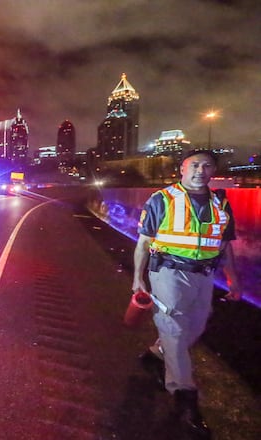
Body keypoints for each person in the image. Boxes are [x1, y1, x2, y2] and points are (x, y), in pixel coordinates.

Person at [132, 149, 243, 439]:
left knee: (197, 326)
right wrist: (137, 279)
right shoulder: (163, 199)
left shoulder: (220, 202)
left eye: (207, 166)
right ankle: (185, 395)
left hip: (204, 275)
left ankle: (155, 355)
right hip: (168, 272)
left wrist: (233, 280)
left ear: (213, 171)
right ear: (182, 169)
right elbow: (143, 243)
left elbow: (224, 245)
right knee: (176, 333)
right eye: (194, 164)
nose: (200, 170)